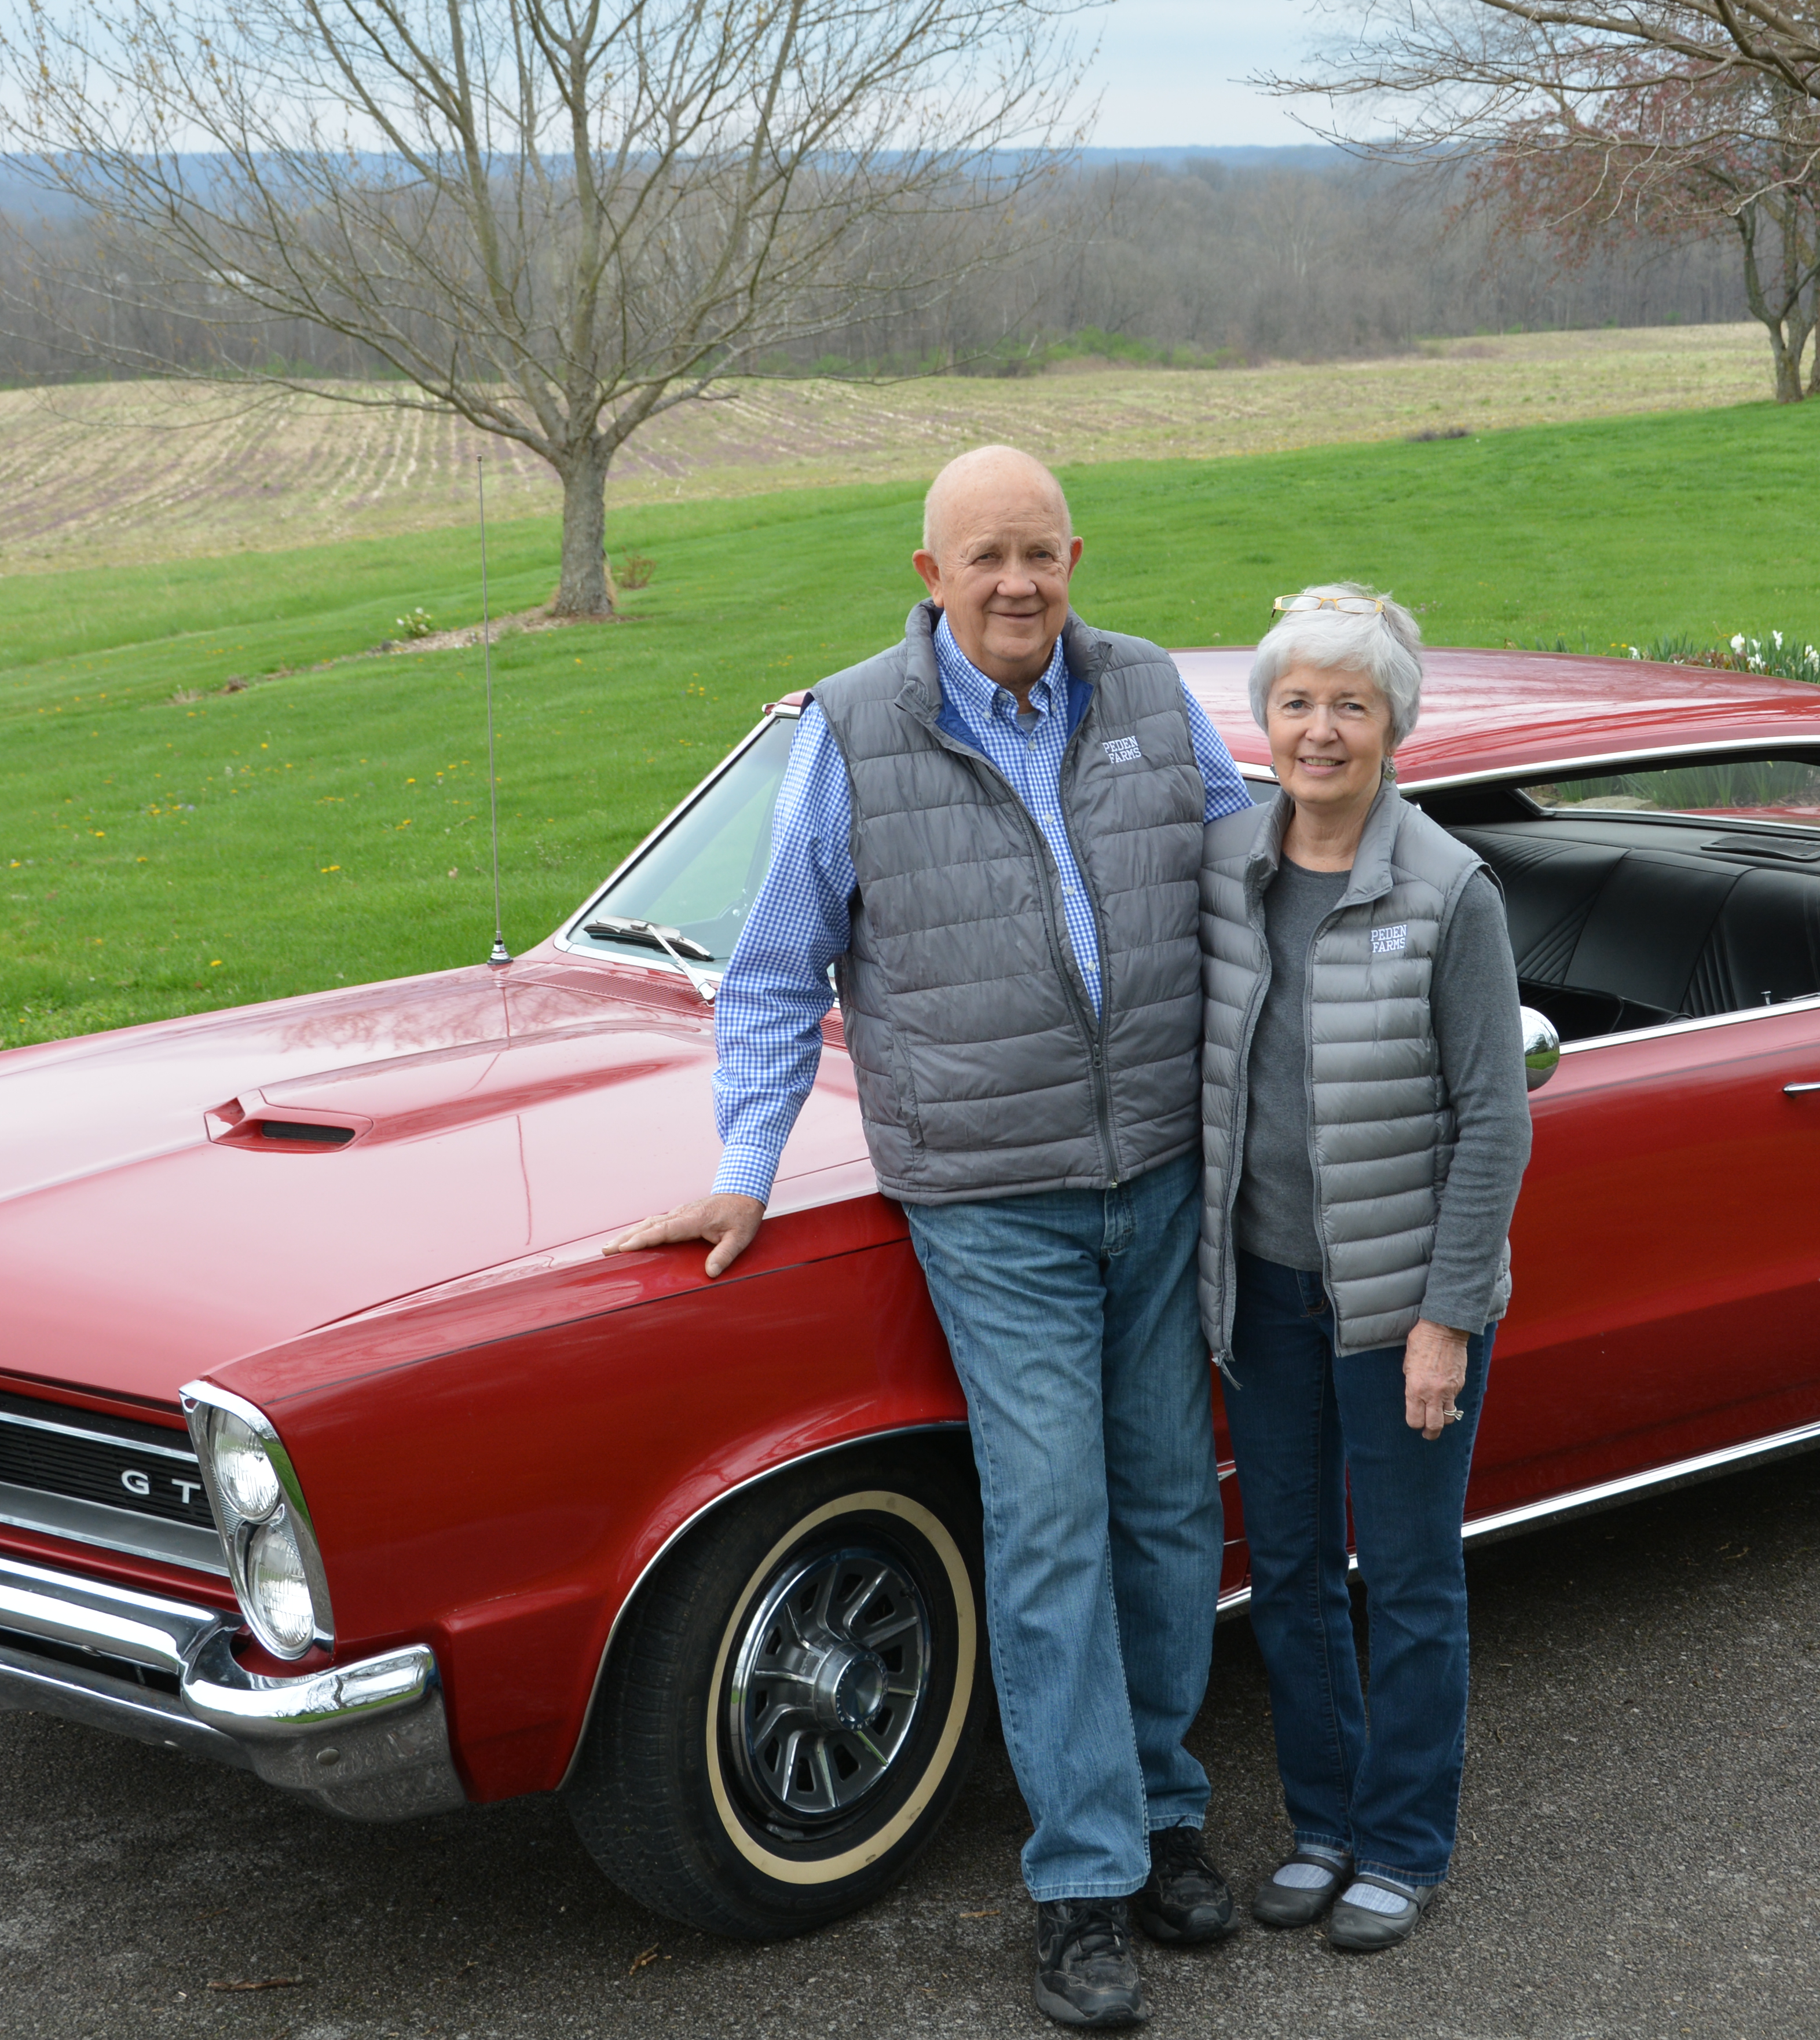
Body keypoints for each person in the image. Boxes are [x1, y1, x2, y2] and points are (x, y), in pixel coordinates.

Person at [610, 445, 1257, 2031]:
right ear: (930, 575)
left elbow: (1253, 892)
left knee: (1173, 1510)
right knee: (1051, 1527)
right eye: (984, 557)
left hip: (1163, 1178)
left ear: (1076, 555)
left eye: (1039, 552)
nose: (1016, 583)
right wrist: (747, 1168)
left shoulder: (1156, 697)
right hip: (993, 1198)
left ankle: (1171, 1817)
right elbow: (773, 973)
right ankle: (1086, 1883)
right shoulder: (852, 733)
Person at [1196, 584, 1529, 1953]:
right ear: (1263, 719)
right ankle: (1321, 1824)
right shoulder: (1226, 865)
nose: (1320, 729)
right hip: (1263, 1294)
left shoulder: (1448, 886)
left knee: (1405, 1577)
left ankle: (1402, 1843)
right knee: (1285, 1569)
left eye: (1351, 704)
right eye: (1297, 702)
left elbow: (1494, 1116)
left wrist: (1446, 1316)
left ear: (1393, 724)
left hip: (1403, 1306)